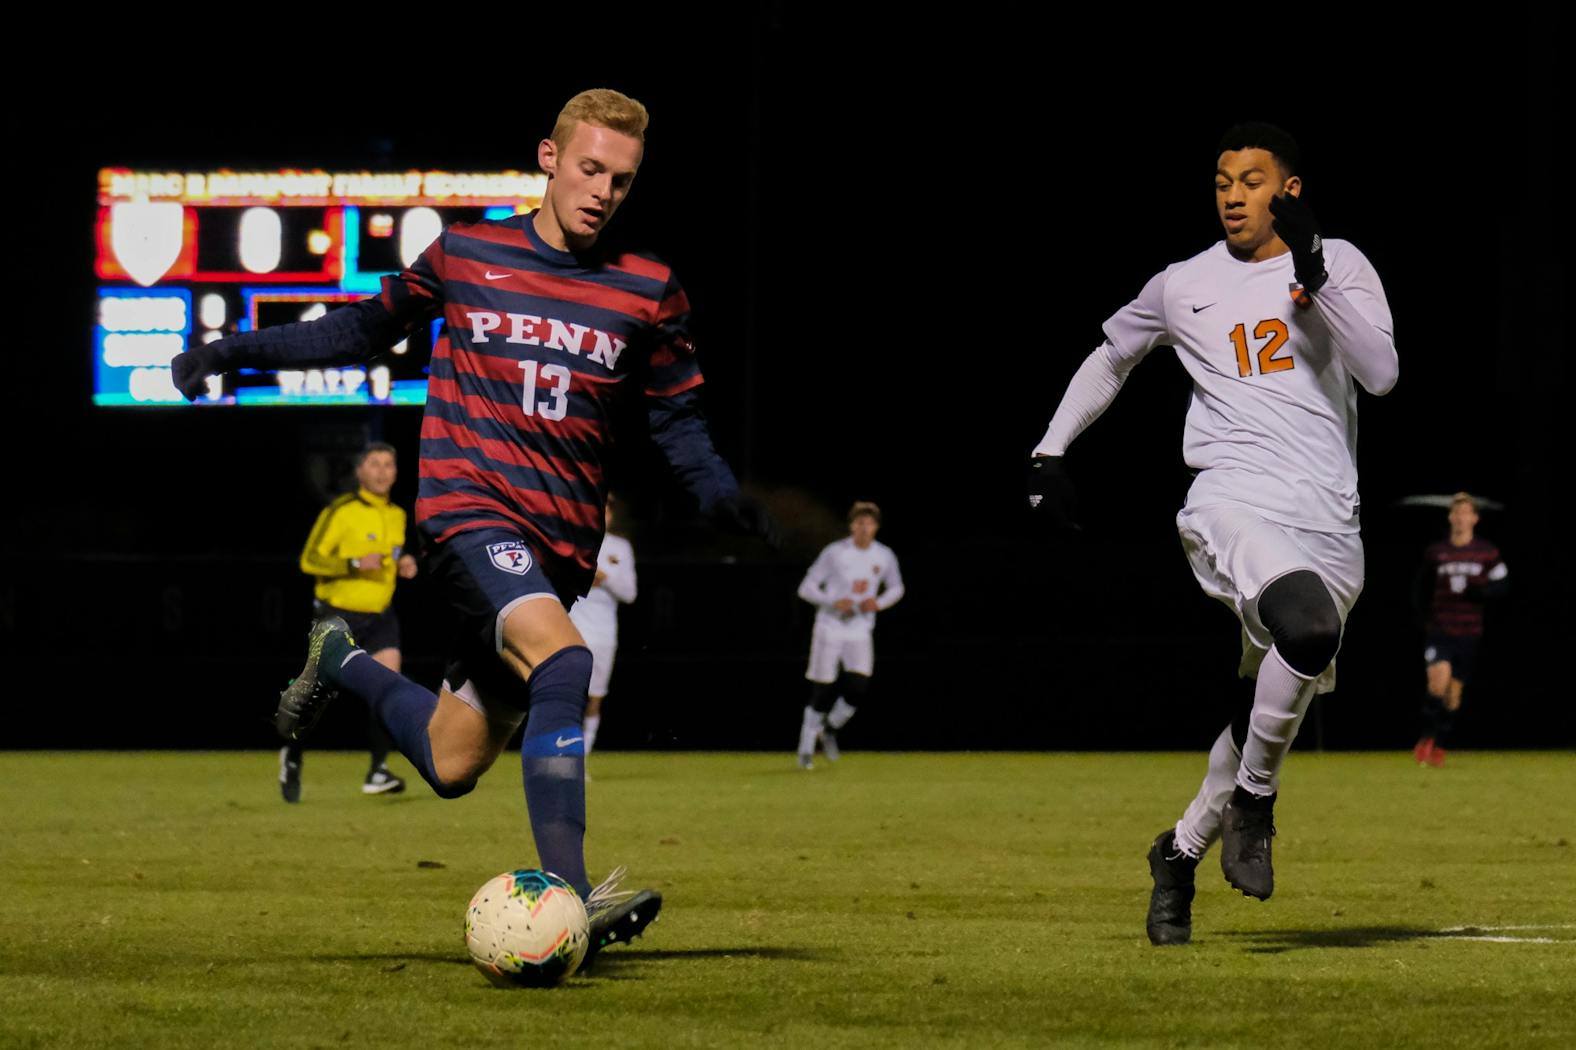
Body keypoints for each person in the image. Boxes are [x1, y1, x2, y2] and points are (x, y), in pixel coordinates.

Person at [170, 88, 778, 964]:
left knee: (454, 764)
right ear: (549, 158)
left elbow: (678, 425)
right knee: (565, 658)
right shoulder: (468, 252)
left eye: (622, 178)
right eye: (589, 167)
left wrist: (723, 494)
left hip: (561, 548)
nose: (603, 190)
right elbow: (358, 330)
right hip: (469, 514)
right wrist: (232, 352)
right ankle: (571, 900)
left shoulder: (649, 289)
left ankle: (336, 657)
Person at [1026, 123, 1397, 945]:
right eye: (1223, 180)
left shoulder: (1342, 264)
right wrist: (1051, 450)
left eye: (1252, 179)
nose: (1232, 194)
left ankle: (1181, 851)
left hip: (1330, 523)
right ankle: (1257, 808)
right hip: (1231, 503)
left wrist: (1314, 270)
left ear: (1289, 191)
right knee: (1307, 629)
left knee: (1265, 703)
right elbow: (1110, 355)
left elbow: (1381, 372)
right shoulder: (1182, 283)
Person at [280, 442, 417, 802]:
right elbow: (310, 560)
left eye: (389, 464)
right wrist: (354, 564)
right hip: (337, 617)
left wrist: (403, 564)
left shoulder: (398, 515)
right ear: (360, 472)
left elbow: (389, 557)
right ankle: (291, 756)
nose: (383, 471)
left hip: (380, 617)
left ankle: (377, 771)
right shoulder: (342, 511)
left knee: (389, 688)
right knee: (315, 699)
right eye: (375, 464)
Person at [794, 502, 904, 769]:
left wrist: (878, 603)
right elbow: (806, 587)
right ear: (851, 525)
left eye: (869, 523)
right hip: (830, 626)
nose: (864, 528)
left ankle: (830, 728)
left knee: (858, 687)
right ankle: (806, 749)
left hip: (859, 628)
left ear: (876, 526)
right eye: (859, 522)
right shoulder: (835, 553)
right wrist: (832, 600)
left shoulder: (884, 555)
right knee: (822, 689)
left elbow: (896, 588)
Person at [1413, 493, 1508, 766]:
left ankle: (1440, 745)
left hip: (1469, 632)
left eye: (1466, 512)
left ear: (1475, 518)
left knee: (1454, 694)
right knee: (1437, 684)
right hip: (1441, 629)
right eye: (1456, 512)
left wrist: (1481, 592)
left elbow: (1503, 586)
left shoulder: (1487, 552)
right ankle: (1426, 737)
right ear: (1450, 517)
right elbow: (1420, 586)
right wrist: (1422, 618)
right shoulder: (1437, 552)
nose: (1460, 517)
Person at [567, 496, 637, 763]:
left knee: (594, 699)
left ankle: (582, 757)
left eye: (606, 510)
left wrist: (604, 577)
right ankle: (563, 755)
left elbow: (630, 594)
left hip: (604, 633)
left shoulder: (620, 548)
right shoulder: (573, 542)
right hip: (572, 628)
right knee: (567, 694)